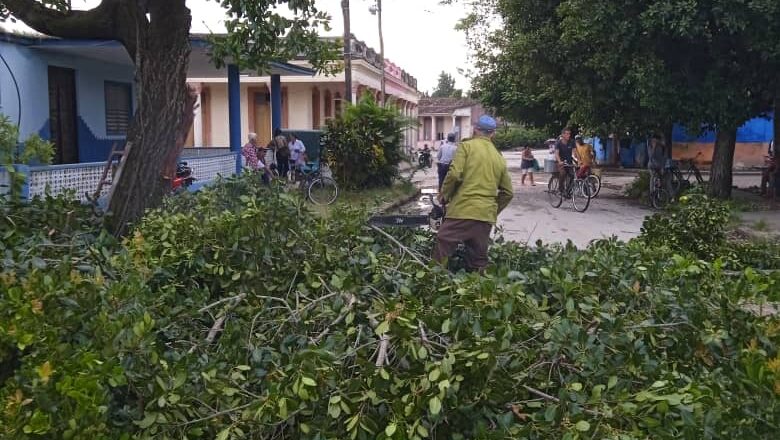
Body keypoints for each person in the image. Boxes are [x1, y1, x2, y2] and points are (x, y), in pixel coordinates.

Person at [433, 115, 514, 272]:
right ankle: (478, 292)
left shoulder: (466, 147)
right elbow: (508, 193)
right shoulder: (499, 157)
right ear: (493, 134)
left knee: (443, 243)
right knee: (478, 262)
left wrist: (445, 195)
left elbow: (455, 174)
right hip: (485, 216)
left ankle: (432, 281)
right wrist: (492, 210)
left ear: (475, 130)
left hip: (463, 210)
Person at [555, 128, 576, 195]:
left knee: (573, 175)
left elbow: (575, 153)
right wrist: (560, 161)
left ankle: (568, 191)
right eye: (567, 134)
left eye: (569, 134)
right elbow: (556, 154)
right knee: (563, 173)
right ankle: (560, 189)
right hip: (561, 163)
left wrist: (578, 161)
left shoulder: (572, 142)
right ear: (563, 135)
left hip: (569, 162)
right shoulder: (558, 143)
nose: (568, 135)